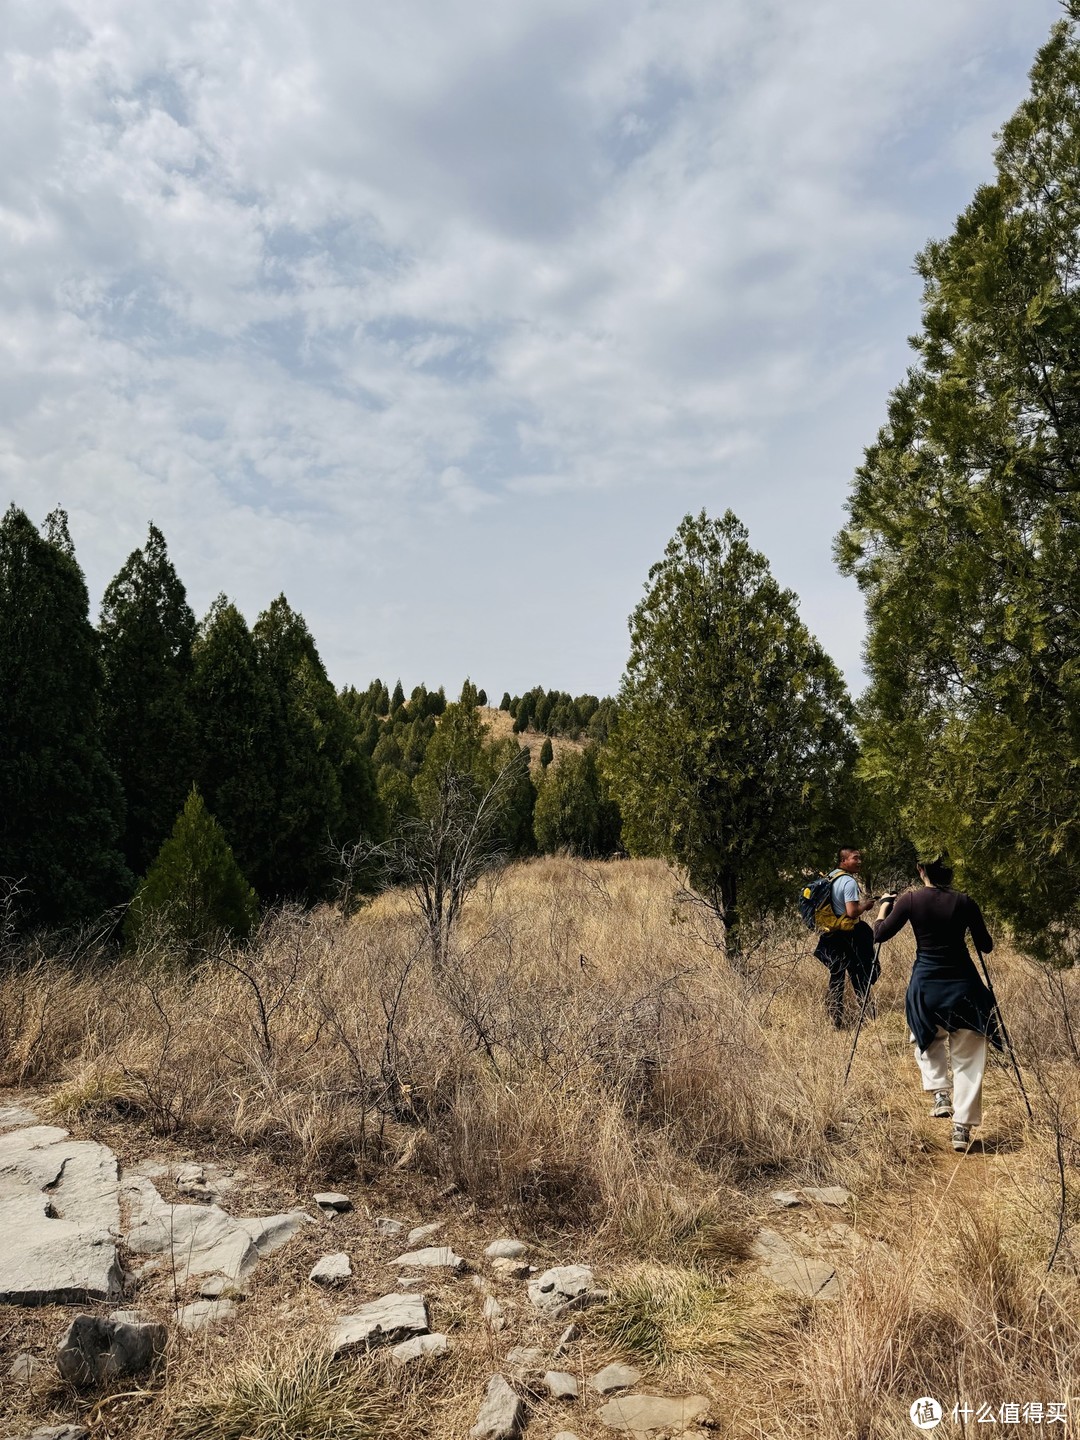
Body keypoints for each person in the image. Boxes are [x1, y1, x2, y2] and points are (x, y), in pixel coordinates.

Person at [873, 854, 1002, 1152]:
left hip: (926, 986)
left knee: (923, 1034)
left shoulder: (909, 901)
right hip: (965, 988)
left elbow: (879, 934)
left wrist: (883, 908)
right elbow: (986, 946)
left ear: (921, 870)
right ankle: (961, 1127)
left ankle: (939, 1091)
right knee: (969, 1057)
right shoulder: (965, 901)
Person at [814, 846, 880, 1028]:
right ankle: (870, 1018)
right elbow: (851, 912)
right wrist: (866, 905)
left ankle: (835, 1020)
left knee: (836, 976)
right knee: (859, 976)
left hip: (832, 935)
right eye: (855, 858)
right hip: (848, 935)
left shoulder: (831, 876)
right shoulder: (849, 882)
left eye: (860, 858)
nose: (859, 861)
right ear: (844, 861)